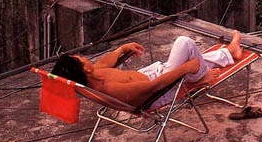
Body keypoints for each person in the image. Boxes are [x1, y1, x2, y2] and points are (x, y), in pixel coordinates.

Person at [51, 31, 244, 109]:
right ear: (85, 68)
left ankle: (228, 52)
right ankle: (198, 79)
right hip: (161, 91)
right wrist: (185, 69)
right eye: (81, 58)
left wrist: (121, 49)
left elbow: (103, 63)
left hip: (155, 75)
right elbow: (154, 87)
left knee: (190, 56)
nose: (84, 57)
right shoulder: (109, 89)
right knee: (185, 43)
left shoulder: (91, 77)